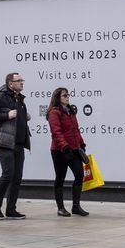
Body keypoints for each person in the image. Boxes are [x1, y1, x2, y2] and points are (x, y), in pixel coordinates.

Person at [0, 72, 31, 220]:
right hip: (4, 143)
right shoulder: (0, 97)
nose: (22, 82)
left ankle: (11, 209)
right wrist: (7, 115)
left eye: (22, 80)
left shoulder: (19, 98)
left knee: (17, 177)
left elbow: (17, 118)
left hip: (19, 143)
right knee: (8, 174)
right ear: (11, 83)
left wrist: (25, 116)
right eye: (19, 80)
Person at [46, 87, 88, 217]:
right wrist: (65, 147)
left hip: (74, 149)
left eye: (68, 95)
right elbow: (56, 132)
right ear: (58, 97)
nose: (67, 97)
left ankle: (76, 206)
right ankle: (61, 208)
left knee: (79, 175)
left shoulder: (70, 111)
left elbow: (76, 130)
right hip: (60, 151)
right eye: (64, 95)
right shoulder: (54, 112)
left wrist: (81, 143)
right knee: (60, 178)